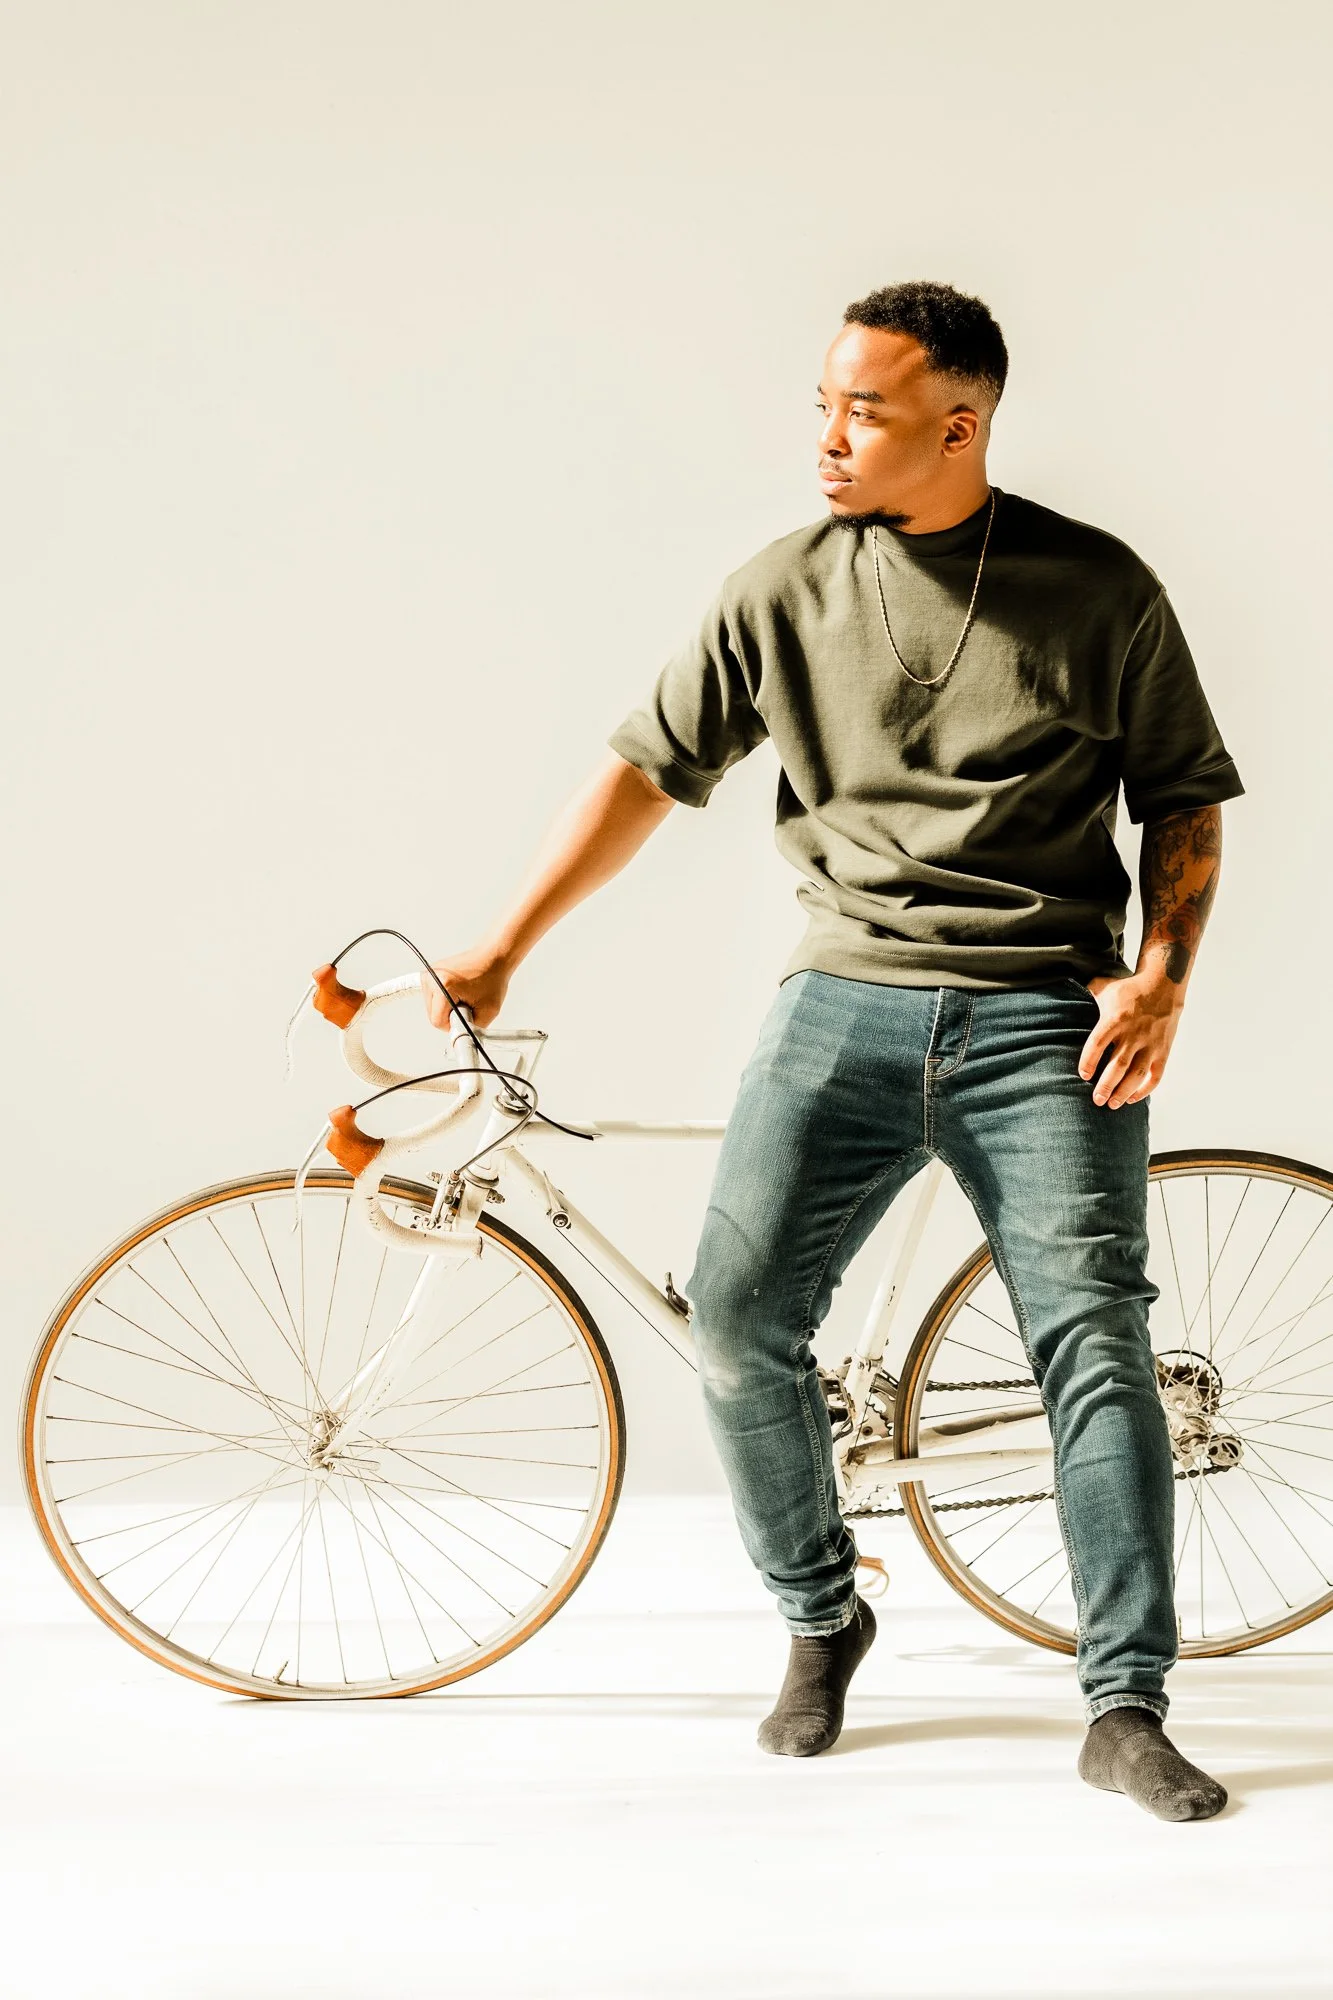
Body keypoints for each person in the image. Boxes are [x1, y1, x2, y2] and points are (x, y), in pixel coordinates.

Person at [424, 281, 1244, 1822]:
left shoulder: (1098, 588)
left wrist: (1162, 976)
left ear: (961, 422)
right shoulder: (783, 586)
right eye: (824, 403)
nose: (828, 436)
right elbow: (644, 773)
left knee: (1095, 1345)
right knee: (738, 1319)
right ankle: (822, 1614)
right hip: (842, 1005)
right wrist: (501, 942)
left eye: (862, 411)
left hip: (1041, 1024)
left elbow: (1183, 797)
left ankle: (1125, 1704)